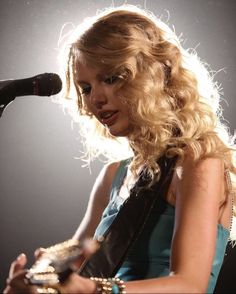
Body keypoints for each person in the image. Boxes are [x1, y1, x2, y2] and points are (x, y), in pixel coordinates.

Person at [4, 4, 236, 294]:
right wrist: (37, 283)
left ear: (153, 74)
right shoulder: (112, 176)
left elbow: (190, 284)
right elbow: (76, 268)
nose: (96, 99)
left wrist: (95, 290)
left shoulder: (199, 163)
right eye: (86, 88)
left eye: (111, 78)